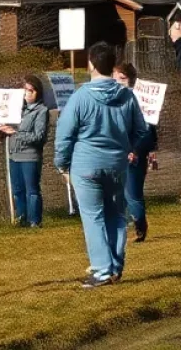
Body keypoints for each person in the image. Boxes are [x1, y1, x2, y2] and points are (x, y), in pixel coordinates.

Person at [54, 42, 148, 287]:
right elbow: (141, 129)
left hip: (85, 164)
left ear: (91, 65)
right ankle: (115, 266)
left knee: (93, 217)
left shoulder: (80, 97)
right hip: (117, 164)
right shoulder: (127, 95)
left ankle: (102, 270)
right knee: (116, 215)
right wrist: (128, 147)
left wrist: (62, 164)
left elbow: (64, 135)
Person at [113, 62, 157, 242]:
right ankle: (125, 225)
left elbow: (147, 131)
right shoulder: (116, 100)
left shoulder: (138, 100)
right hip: (118, 152)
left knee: (132, 192)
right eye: (115, 79)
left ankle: (140, 225)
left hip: (135, 153)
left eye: (122, 79)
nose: (118, 82)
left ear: (131, 79)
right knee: (119, 193)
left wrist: (137, 150)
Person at [0, 74, 50, 227]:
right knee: (18, 190)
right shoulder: (15, 109)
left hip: (30, 156)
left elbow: (38, 136)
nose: (27, 93)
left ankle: (34, 220)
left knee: (31, 190)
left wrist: (16, 133)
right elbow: (8, 130)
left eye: (31, 90)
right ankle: (22, 219)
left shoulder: (41, 110)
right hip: (14, 154)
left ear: (37, 92)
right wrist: (3, 129)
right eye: (25, 90)